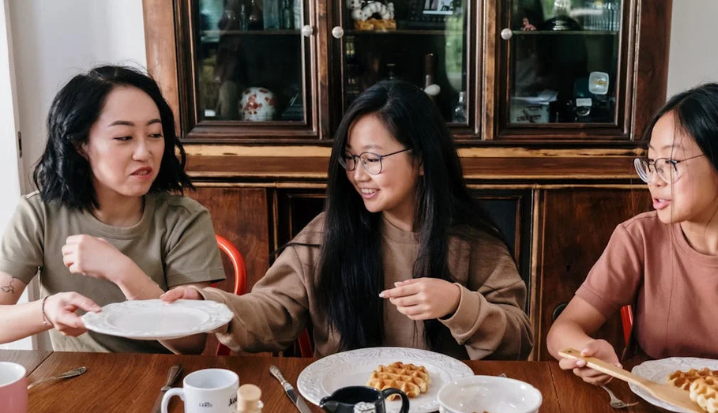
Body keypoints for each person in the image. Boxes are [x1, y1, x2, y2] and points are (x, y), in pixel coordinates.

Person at [163, 80, 532, 360]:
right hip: (348, 411)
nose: (357, 174)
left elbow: (519, 340)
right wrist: (209, 304)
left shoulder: (471, 241)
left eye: (372, 159)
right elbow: (270, 311)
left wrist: (456, 303)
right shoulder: (328, 232)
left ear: (421, 160)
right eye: (350, 158)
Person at [546, 82, 718, 407]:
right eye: (652, 164)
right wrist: (586, 351)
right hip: (647, 410)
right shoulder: (638, 237)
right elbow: (563, 329)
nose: (655, 180)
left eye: (670, 163)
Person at [0, 65, 225, 353]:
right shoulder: (39, 214)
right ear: (80, 144)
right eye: (124, 137)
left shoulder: (185, 219)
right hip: (75, 375)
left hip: (164, 376)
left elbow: (190, 343)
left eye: (155, 134)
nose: (144, 152)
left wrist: (123, 272)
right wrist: (45, 310)